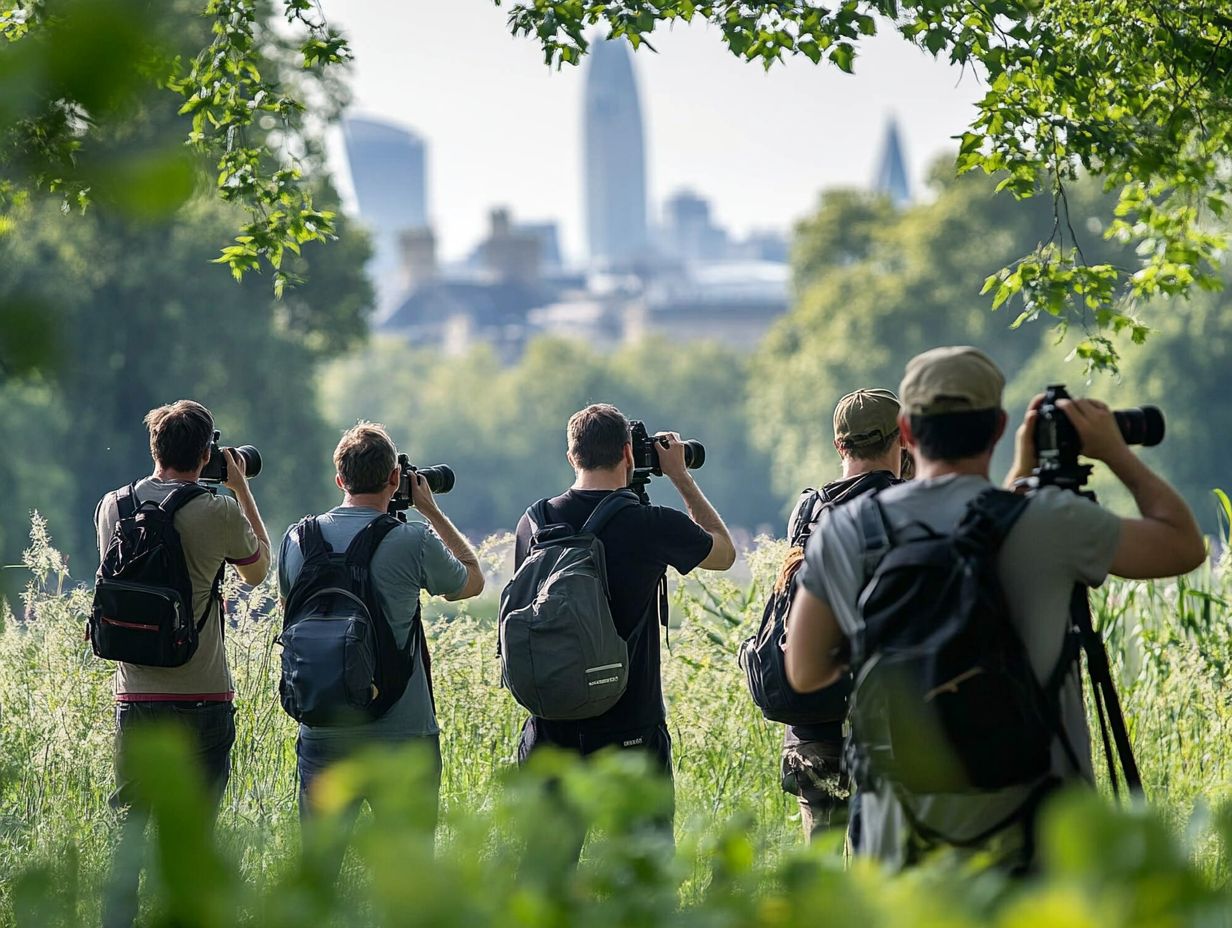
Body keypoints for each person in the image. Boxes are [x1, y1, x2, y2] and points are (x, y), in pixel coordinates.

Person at [784, 346, 1205, 871]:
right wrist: (1114, 451)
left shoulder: (849, 530)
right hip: (1032, 826)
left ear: (909, 433)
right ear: (998, 428)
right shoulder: (1050, 523)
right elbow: (1184, 544)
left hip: (900, 831)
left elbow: (803, 672)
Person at [513, 404, 736, 819]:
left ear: (571, 457)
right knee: (643, 872)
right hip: (630, 728)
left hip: (550, 726)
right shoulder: (649, 524)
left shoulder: (533, 524)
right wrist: (680, 476)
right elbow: (723, 552)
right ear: (629, 454)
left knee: (546, 873)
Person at [96, 400, 271, 928]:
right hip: (203, 693)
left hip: (135, 693)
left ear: (154, 447)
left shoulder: (113, 505)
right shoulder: (216, 508)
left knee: (129, 831)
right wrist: (240, 486)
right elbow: (258, 570)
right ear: (206, 453)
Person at [278, 423, 483, 858]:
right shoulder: (410, 539)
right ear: (394, 478)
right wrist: (429, 509)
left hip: (323, 728)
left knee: (316, 876)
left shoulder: (296, 539)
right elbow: (471, 581)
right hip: (402, 735)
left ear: (340, 480)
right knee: (410, 878)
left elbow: (290, 615)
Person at [777, 389, 903, 843]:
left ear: (839, 445)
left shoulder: (808, 510)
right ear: (901, 438)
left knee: (823, 883)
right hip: (889, 724)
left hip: (812, 722)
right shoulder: (907, 507)